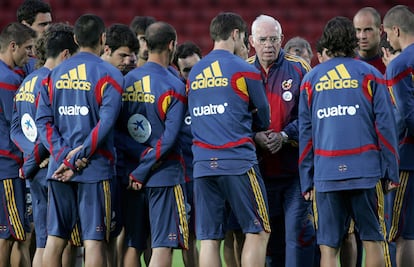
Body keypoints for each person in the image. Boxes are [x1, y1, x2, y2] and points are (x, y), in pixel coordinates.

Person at [299, 16, 399, 267]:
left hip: (326, 173)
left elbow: (305, 134)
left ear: (327, 42)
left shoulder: (310, 80)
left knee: (328, 248)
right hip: (365, 171)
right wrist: (391, 171)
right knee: (373, 240)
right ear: (352, 39)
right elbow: (385, 129)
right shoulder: (371, 75)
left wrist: (306, 178)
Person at [35, 14, 123, 267]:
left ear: (75, 39)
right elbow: (105, 124)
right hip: (94, 168)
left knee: (55, 238)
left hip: (58, 170)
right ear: (103, 39)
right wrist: (78, 157)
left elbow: (43, 121)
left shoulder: (52, 75)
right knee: (94, 240)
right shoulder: (111, 75)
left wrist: (63, 157)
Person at [187, 12, 271, 267]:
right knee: (257, 231)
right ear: (236, 34)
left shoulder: (194, 73)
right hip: (238, 161)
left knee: (210, 238)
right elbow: (264, 118)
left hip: (202, 164)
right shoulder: (245, 69)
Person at [247, 14, 315, 267]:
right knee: (270, 242)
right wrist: (255, 136)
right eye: (263, 39)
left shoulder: (300, 68)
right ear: (251, 41)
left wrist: (285, 136)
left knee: (298, 238)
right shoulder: (243, 71)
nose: (268, 45)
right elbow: (236, 119)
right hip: (259, 173)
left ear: (282, 40)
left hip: (294, 171)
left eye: (273, 39)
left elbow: (309, 117)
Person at [10, 23, 79, 267]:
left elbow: (15, 131)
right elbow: (49, 127)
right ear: (67, 54)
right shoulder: (53, 81)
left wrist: (31, 157)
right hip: (53, 168)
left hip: (36, 170)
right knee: (65, 242)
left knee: (42, 240)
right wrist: (43, 154)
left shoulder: (27, 81)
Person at [124, 21, 188, 267]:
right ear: (172, 44)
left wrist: (136, 167)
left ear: (145, 44)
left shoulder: (126, 81)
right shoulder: (174, 85)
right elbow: (169, 139)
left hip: (129, 176)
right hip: (164, 175)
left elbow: (116, 131)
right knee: (163, 246)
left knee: (133, 245)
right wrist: (144, 169)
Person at [100, 22, 139, 267]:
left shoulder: (129, 82)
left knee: (127, 236)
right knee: (102, 236)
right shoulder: (103, 81)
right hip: (105, 169)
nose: (128, 60)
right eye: (121, 55)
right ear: (106, 50)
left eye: (131, 55)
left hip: (128, 171)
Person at [0, 22, 36, 267]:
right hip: (9, 164)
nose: (30, 55)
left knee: (13, 234)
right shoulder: (9, 80)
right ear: (13, 47)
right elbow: (19, 123)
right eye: (28, 48)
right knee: (10, 236)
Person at [383, 5, 414, 267]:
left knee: (404, 234)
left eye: (387, 34)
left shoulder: (400, 65)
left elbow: (404, 115)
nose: (387, 40)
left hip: (407, 159)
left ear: (396, 30)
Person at [172, 40, 202, 267]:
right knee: (188, 238)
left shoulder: (214, 92)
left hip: (213, 174)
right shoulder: (176, 98)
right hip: (187, 178)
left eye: (196, 68)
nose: (192, 75)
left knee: (228, 233)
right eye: (187, 70)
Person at [353, 7, 385, 74]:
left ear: (380, 30)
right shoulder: (346, 65)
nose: (362, 36)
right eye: (358, 30)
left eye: (368, 30)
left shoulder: (391, 65)